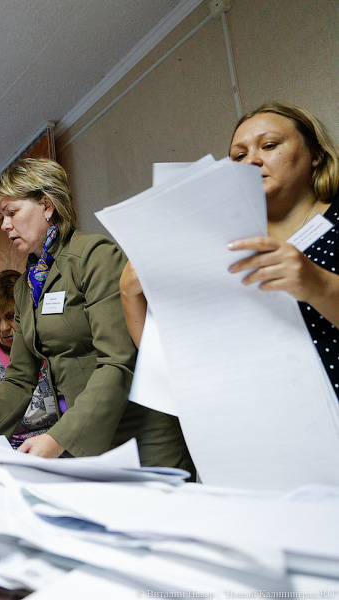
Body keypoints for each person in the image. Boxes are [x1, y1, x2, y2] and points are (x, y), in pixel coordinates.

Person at [0, 158, 191, 471]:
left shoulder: (94, 256)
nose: (4, 224)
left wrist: (58, 439)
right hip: (84, 437)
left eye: (12, 212)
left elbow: (118, 361)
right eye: (1, 216)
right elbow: (19, 378)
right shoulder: (26, 286)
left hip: (140, 432)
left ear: (46, 205)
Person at [121, 102, 339, 399]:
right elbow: (177, 369)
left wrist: (318, 283)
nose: (252, 161)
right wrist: (130, 294)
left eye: (269, 145)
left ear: (315, 154)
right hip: (266, 419)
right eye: (239, 155)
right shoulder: (222, 245)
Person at [0, 269, 59, 448]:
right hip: (14, 448)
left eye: (10, 317)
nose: (3, 327)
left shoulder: (49, 345)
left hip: (58, 440)